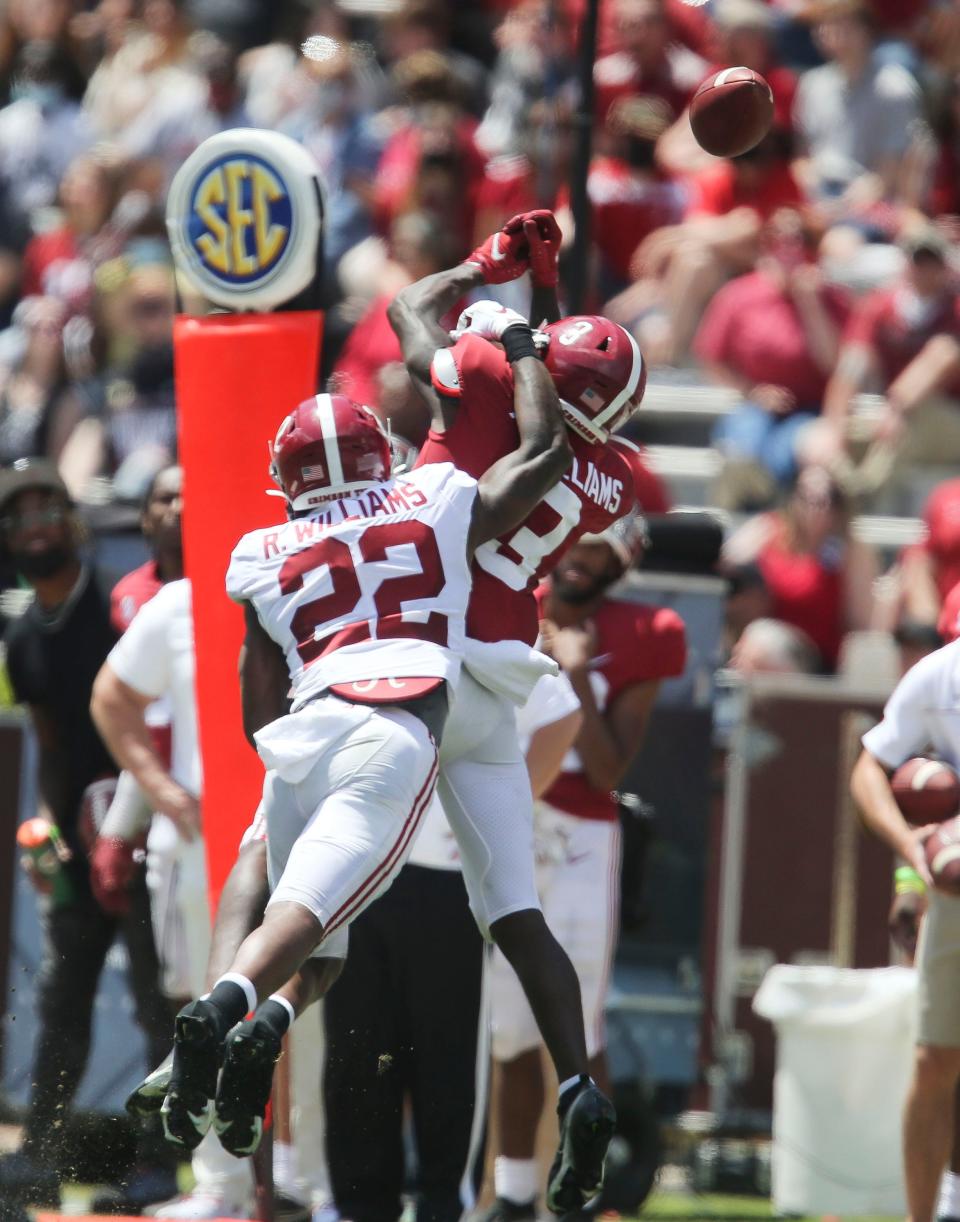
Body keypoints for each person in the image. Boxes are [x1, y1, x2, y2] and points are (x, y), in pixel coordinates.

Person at [158, 329, 601, 1213]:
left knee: (299, 903)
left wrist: (292, 764)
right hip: (402, 715)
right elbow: (546, 452)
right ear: (381, 455)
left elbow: (257, 710)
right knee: (462, 910)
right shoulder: (432, 496)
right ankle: (578, 1082)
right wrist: (522, 346)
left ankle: (225, 1013)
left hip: (309, 723)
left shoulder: (261, 551)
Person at [389, 212, 644, 1215]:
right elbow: (551, 413)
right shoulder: (610, 476)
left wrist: (486, 276)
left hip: (417, 635)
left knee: (310, 866)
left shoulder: (490, 384)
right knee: (517, 910)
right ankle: (581, 1083)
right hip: (504, 663)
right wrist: (531, 320)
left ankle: (248, 999)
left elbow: (412, 311)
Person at [482, 514, 687, 1221]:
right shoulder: (508, 602)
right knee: (506, 1027)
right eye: (575, 544)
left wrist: (573, 670)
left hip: (578, 840)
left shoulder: (648, 631)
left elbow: (604, 767)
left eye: (597, 550)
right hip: (499, 817)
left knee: (580, 1028)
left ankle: (580, 1193)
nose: (578, 562)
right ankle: (512, 1196)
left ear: (622, 557)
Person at [323, 671, 581, 1222]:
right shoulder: (364, 625)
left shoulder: (478, 630)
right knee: (358, 1047)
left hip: (449, 879)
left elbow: (562, 716)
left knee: (448, 1055)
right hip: (362, 864)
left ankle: (447, 1205)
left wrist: (495, 818)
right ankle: (359, 1206)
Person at [0, 457, 174, 1210]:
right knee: (63, 1002)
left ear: (74, 522)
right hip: (78, 840)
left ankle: (166, 1164)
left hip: (149, 831)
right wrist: (43, 820)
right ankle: (40, 1155)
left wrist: (139, 819)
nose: (37, 526)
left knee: (159, 1001)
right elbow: (49, 740)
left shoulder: (121, 604)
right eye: (21, 515)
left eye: (48, 510)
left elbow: (155, 715)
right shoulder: (23, 638)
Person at [850, 615, 960, 1222]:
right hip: (956, 897)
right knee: (937, 1056)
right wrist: (912, 852)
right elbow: (870, 766)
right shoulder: (942, 675)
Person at [721, 464, 878, 671]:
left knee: (762, 645)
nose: (816, 506)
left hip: (815, 660)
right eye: (807, 496)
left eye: (828, 499)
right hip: (753, 644)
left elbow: (862, 624)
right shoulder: (768, 530)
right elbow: (726, 569)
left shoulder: (851, 551)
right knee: (757, 644)